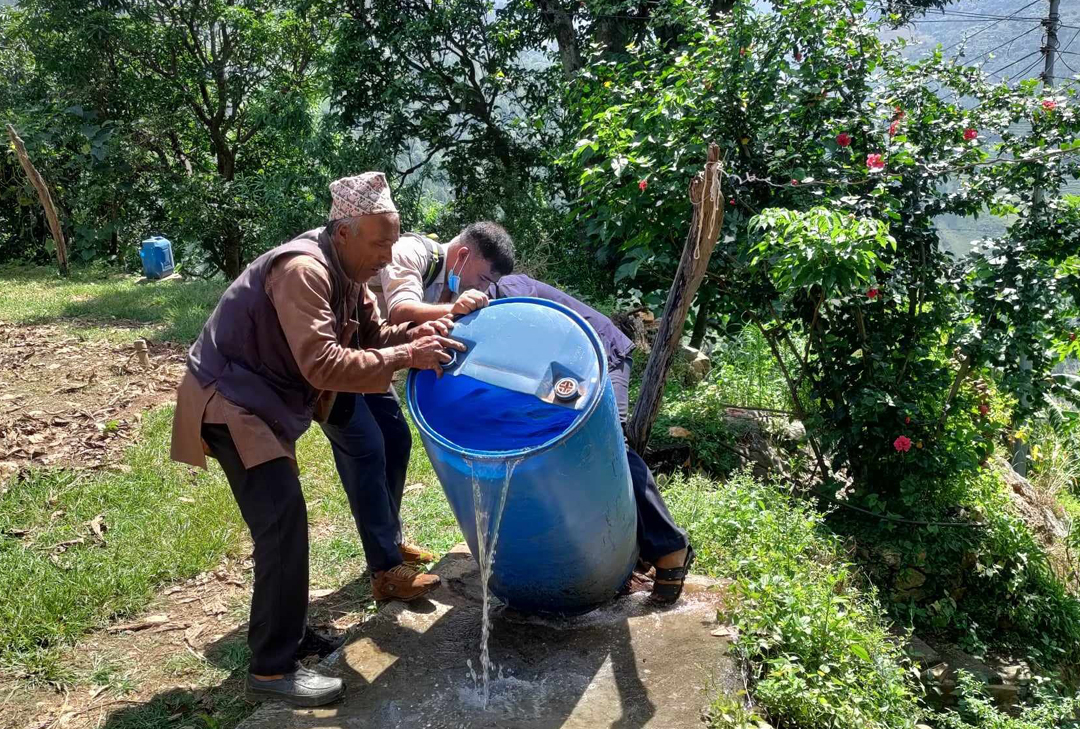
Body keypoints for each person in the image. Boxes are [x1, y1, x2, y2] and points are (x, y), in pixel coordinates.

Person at [170, 173, 463, 707]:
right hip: (231, 402)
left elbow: (374, 337)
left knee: (287, 525)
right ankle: (271, 671)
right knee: (282, 527)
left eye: (394, 241)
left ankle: (290, 633)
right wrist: (405, 357)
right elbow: (322, 362)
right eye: (379, 242)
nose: (387, 255)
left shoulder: (351, 271)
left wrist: (420, 334)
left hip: (263, 405)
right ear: (344, 232)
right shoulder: (304, 270)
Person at [316, 222, 515, 590]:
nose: (483, 288)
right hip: (340, 363)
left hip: (373, 361)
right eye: (484, 278)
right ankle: (385, 571)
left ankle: (388, 542)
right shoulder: (412, 252)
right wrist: (453, 308)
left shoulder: (449, 281)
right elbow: (400, 311)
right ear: (464, 256)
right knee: (367, 450)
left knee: (396, 439)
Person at [488, 274, 694, 604]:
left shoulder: (506, 286)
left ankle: (671, 547)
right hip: (563, 371)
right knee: (573, 448)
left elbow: (531, 321)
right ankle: (630, 550)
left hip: (600, 357)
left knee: (611, 446)